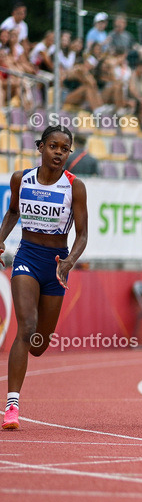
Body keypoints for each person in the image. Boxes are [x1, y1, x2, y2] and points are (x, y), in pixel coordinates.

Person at [0, 125, 89, 430]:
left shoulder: (75, 187)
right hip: (27, 257)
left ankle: (24, 368)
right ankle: (12, 405)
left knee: (38, 345)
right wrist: (0, 239)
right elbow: (13, 212)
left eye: (65, 149)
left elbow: (83, 234)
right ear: (41, 147)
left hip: (56, 265)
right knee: (26, 328)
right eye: (53, 146)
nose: (59, 153)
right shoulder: (21, 179)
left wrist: (69, 262)